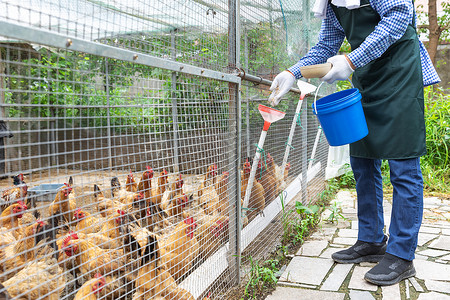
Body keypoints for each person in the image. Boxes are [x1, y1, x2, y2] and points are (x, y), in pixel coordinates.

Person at [268, 0, 440, 286]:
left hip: (400, 74)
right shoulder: (333, 3)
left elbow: (399, 16)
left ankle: (401, 254)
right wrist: (293, 72)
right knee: (362, 160)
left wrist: (350, 60)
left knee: (403, 166)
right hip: (367, 79)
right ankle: (371, 240)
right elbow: (326, 46)